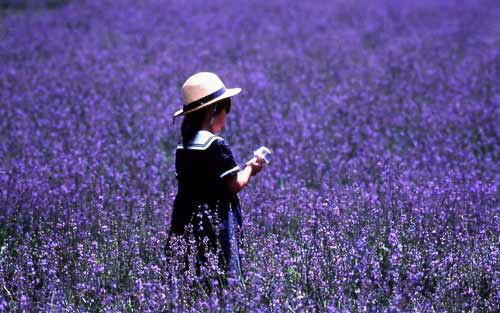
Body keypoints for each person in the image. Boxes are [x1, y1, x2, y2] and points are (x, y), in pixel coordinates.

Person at [164, 72, 265, 289]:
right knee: (220, 274)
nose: (225, 119)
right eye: (225, 113)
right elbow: (234, 184)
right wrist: (250, 168)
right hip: (215, 220)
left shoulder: (183, 146)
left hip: (185, 217)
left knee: (190, 271)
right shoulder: (216, 145)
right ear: (213, 111)